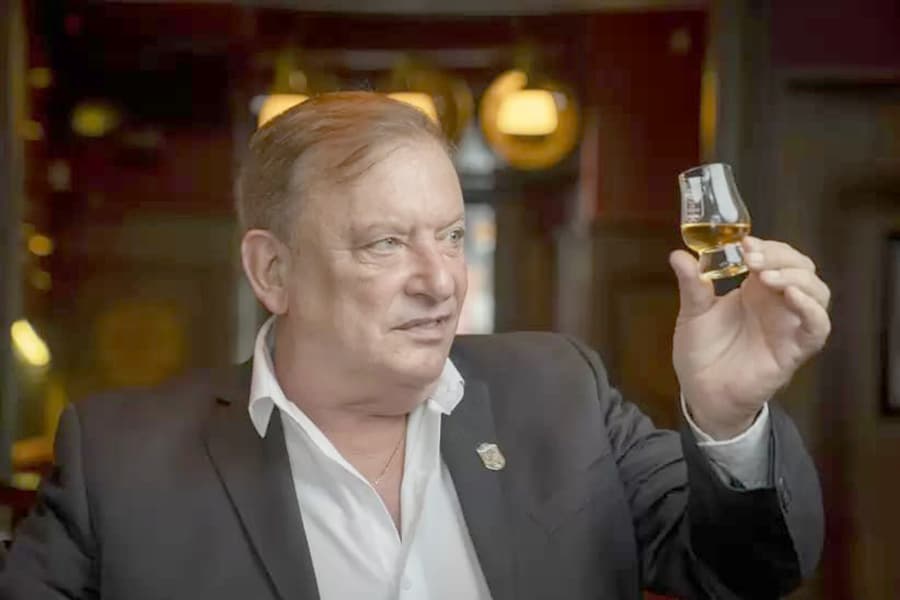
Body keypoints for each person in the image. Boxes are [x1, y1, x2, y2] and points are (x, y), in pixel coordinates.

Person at [0, 92, 830, 600]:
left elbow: (748, 572)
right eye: (386, 244)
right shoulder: (118, 461)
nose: (441, 282)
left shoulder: (559, 391)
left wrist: (729, 416)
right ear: (273, 271)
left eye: (451, 236)